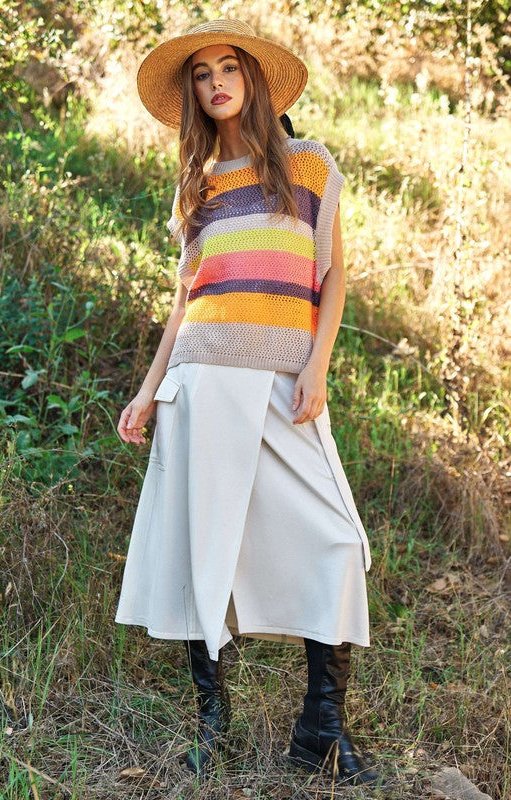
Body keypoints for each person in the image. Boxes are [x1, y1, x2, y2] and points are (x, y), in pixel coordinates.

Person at [114, 17, 381, 786]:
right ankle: (212, 725)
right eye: (201, 74)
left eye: (228, 67)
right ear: (193, 94)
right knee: (204, 549)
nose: (216, 81)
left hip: (283, 379)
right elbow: (186, 297)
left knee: (336, 543)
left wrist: (317, 365)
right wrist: (149, 387)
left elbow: (331, 278)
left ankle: (318, 732)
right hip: (201, 378)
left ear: (254, 80)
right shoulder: (197, 185)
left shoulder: (308, 166)